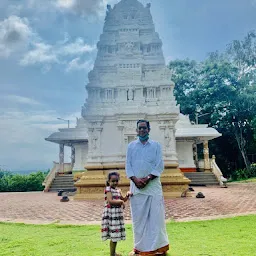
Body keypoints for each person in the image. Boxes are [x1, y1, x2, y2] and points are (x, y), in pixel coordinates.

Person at [126, 120, 169, 256]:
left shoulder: (156, 146)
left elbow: (159, 165)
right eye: (140, 128)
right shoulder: (131, 146)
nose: (142, 130)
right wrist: (135, 180)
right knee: (138, 220)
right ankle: (139, 248)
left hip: (153, 188)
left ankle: (158, 248)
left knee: (156, 220)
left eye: (145, 128)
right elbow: (128, 165)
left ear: (149, 130)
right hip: (136, 188)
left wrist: (148, 178)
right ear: (137, 130)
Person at [101, 171, 132, 256]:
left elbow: (123, 199)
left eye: (116, 181)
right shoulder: (108, 189)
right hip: (111, 214)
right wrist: (121, 202)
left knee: (115, 235)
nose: (115, 183)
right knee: (113, 235)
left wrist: (127, 195)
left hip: (117, 214)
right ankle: (112, 254)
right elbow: (110, 201)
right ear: (108, 181)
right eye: (113, 181)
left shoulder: (118, 190)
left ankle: (113, 253)